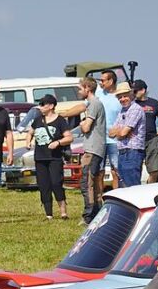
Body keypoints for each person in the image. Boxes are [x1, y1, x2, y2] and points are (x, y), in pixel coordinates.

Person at [27, 95, 73, 220]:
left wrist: (58, 143)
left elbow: (69, 137)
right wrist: (28, 142)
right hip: (40, 158)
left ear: (51, 106)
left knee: (56, 183)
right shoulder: (37, 120)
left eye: (43, 104)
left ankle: (63, 212)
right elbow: (30, 132)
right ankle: (48, 214)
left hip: (55, 158)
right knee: (44, 185)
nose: (40, 107)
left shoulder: (60, 121)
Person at [77, 76, 106, 224]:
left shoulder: (94, 104)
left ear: (88, 88)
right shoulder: (93, 104)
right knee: (91, 181)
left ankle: (88, 215)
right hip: (94, 148)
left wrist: (82, 121)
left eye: (80, 88)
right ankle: (96, 212)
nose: (78, 90)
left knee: (86, 182)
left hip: (93, 149)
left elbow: (86, 127)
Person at [131, 80, 158, 183]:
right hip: (136, 140)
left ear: (143, 90)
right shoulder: (132, 104)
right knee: (135, 168)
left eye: (135, 91)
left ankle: (149, 187)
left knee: (154, 169)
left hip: (151, 139)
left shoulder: (154, 103)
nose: (133, 94)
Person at [109, 82, 146, 187]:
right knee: (124, 185)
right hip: (122, 151)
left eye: (125, 96)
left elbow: (123, 132)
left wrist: (121, 131)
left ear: (131, 95)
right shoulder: (122, 111)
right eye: (120, 97)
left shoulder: (135, 109)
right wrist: (121, 132)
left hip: (133, 151)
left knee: (132, 185)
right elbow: (111, 133)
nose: (122, 99)